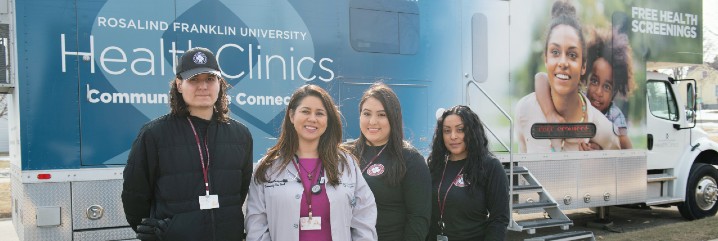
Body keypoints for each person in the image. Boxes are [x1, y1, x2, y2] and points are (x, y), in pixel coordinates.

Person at [121, 47, 254, 241]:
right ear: (179, 85)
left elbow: (240, 192)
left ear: (220, 84)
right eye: (194, 80)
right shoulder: (154, 134)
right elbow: (135, 196)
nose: (203, 86)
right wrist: (162, 231)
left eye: (210, 79)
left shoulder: (240, 135)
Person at [245, 84, 377, 241]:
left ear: (327, 120)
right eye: (305, 111)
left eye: (320, 113)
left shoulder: (346, 164)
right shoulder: (268, 167)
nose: (312, 119)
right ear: (292, 116)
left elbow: (364, 218)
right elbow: (256, 227)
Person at [515, 0, 619, 153]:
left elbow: (621, 160)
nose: (563, 62)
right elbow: (520, 170)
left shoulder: (601, 126)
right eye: (555, 52)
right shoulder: (525, 110)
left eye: (572, 54)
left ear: (583, 66)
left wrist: (599, 162)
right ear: (546, 59)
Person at [343, 83, 431, 241]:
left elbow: (418, 218)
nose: (373, 121)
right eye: (367, 114)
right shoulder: (344, 154)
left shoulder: (410, 159)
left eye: (382, 115)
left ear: (393, 117)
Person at [534, 26, 635, 149]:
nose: (599, 92)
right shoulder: (579, 98)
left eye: (607, 87)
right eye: (594, 81)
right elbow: (540, 78)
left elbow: (627, 149)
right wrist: (550, 113)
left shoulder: (615, 115)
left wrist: (602, 150)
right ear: (585, 74)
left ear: (615, 91)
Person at [426, 105, 509, 241]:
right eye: (447, 131)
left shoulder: (490, 166)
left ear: (472, 131)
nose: (453, 136)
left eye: (460, 130)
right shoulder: (435, 166)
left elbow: (499, 219)